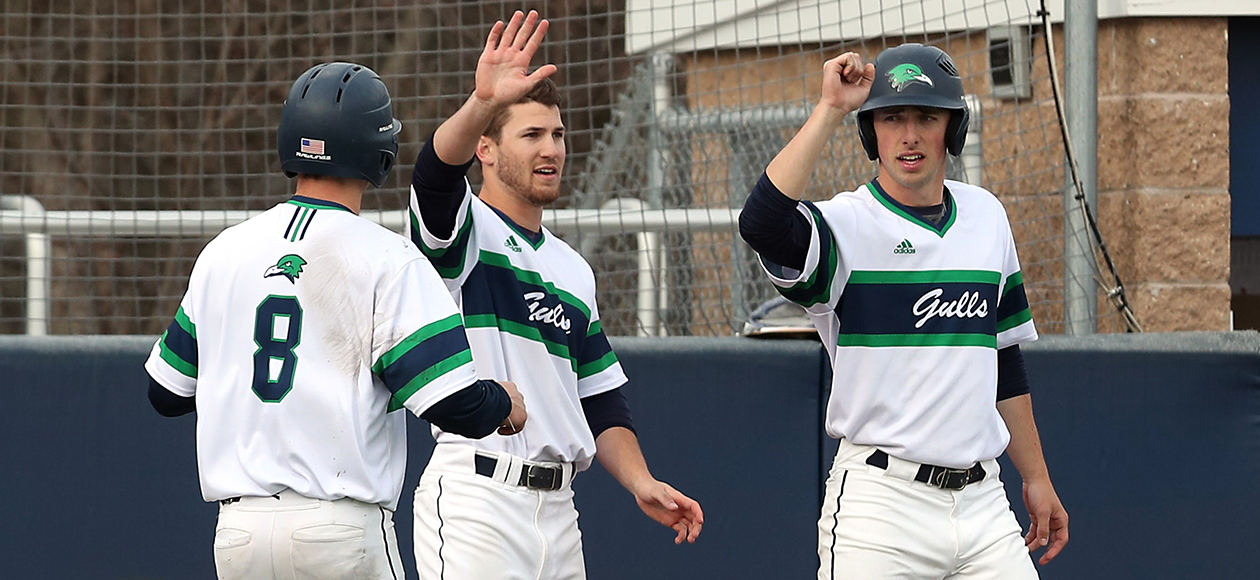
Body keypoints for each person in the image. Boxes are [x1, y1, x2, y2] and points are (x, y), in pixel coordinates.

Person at [144, 61, 526, 580]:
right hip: (338, 528)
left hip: (238, 535)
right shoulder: (388, 259)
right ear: (379, 152)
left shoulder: (223, 252)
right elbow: (452, 403)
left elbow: (165, 394)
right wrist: (503, 402)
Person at [738, 44, 1069, 579]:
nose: (909, 134)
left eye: (926, 117)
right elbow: (762, 223)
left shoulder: (987, 216)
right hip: (881, 505)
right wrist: (830, 109)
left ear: (952, 130)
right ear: (871, 133)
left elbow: (1004, 360)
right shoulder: (845, 225)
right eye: (891, 118)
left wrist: (1036, 476)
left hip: (984, 503)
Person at [404, 10, 704, 579]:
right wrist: (482, 104)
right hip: (478, 496)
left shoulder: (572, 268)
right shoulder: (464, 231)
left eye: (558, 134)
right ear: (486, 150)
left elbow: (600, 400)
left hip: (560, 512)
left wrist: (643, 482)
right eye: (531, 134)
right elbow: (435, 175)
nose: (551, 149)